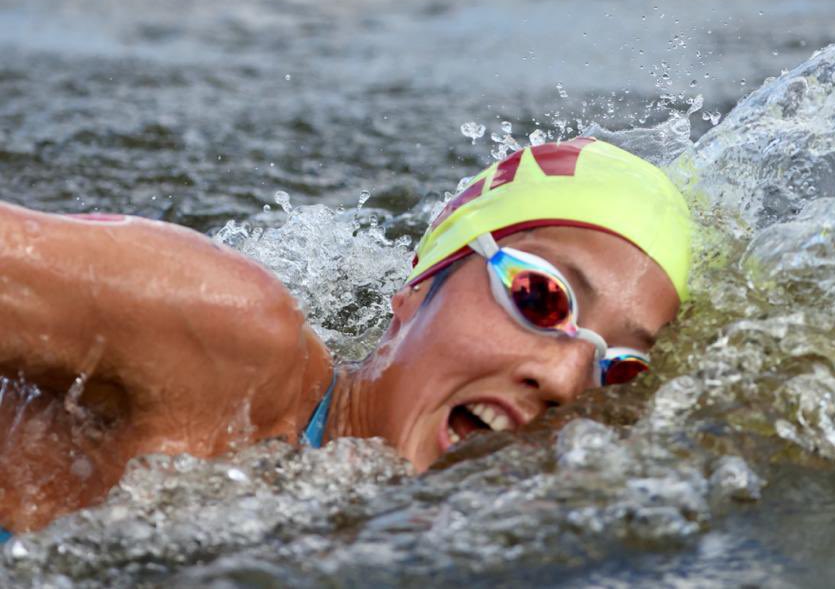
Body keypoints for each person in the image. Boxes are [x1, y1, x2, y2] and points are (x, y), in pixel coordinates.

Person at [0, 136, 692, 536]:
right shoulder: (231, 341)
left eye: (617, 367)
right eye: (541, 297)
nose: (569, 379)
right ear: (418, 289)